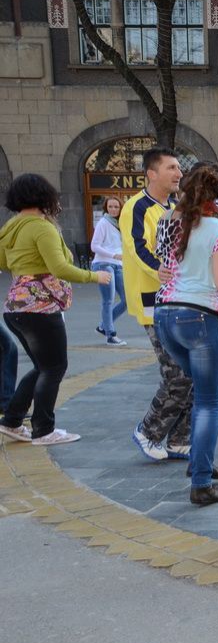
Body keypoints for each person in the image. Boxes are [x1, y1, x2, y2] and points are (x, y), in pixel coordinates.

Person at [152, 163, 218, 506]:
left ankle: (200, 461)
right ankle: (201, 483)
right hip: (201, 317)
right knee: (209, 402)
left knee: (198, 392)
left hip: (165, 315)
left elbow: (164, 267)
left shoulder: (167, 220)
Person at [0, 174, 110, 445]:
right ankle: (44, 430)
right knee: (55, 367)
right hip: (40, 307)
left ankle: (12, 421)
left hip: (15, 306)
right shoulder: (42, 227)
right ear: (44, 196)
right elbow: (60, 268)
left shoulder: (10, 227)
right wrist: (94, 276)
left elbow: (4, 262)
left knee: (43, 366)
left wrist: (26, 266)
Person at [120, 148, 192, 462]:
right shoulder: (136, 207)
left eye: (179, 168)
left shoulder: (175, 207)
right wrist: (159, 269)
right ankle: (148, 431)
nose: (178, 173)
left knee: (190, 372)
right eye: (171, 167)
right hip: (153, 302)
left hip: (176, 298)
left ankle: (179, 439)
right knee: (177, 374)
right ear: (151, 173)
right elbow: (137, 247)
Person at [90, 195, 128, 345]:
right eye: (110, 206)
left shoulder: (121, 223)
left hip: (118, 265)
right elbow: (94, 246)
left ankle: (103, 326)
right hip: (103, 264)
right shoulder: (103, 223)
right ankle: (110, 335)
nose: (113, 209)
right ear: (106, 208)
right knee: (108, 300)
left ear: (121, 208)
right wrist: (114, 255)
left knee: (127, 300)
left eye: (116, 207)